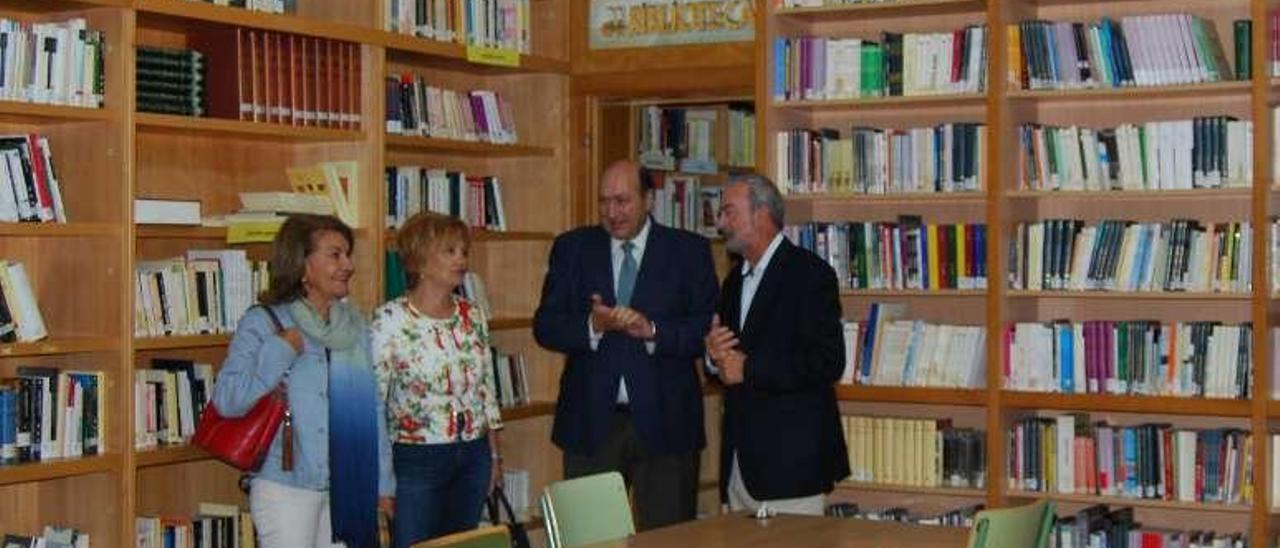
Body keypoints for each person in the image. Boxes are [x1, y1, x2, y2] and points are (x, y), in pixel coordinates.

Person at [533, 160, 718, 530]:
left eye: (622, 201)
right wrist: (591, 325)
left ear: (648, 200)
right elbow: (546, 325)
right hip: (591, 422)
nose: (611, 212)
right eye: (604, 202)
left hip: (666, 424)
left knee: (670, 540)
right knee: (590, 538)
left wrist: (654, 331)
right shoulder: (572, 248)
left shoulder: (689, 251)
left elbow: (704, 330)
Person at [212, 214, 394, 548]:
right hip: (285, 487)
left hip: (347, 486)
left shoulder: (354, 327)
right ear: (302, 264)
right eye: (335, 255)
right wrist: (278, 353)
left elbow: (373, 411)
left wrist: (383, 483)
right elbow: (228, 398)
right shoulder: (264, 321)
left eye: (348, 254)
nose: (348, 265)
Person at [703, 173, 849, 516]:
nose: (721, 222)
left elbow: (827, 361)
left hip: (792, 468)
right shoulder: (732, 283)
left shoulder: (811, 276)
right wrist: (714, 358)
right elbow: (728, 366)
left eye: (729, 212)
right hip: (739, 468)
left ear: (762, 214)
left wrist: (747, 368)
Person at [372, 212, 504, 547]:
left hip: (473, 454)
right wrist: (382, 480)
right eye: (450, 251)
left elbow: (486, 391)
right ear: (419, 260)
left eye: (463, 251)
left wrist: (494, 458)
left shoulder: (472, 314)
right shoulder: (390, 320)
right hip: (417, 458)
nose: (461, 259)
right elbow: (373, 405)